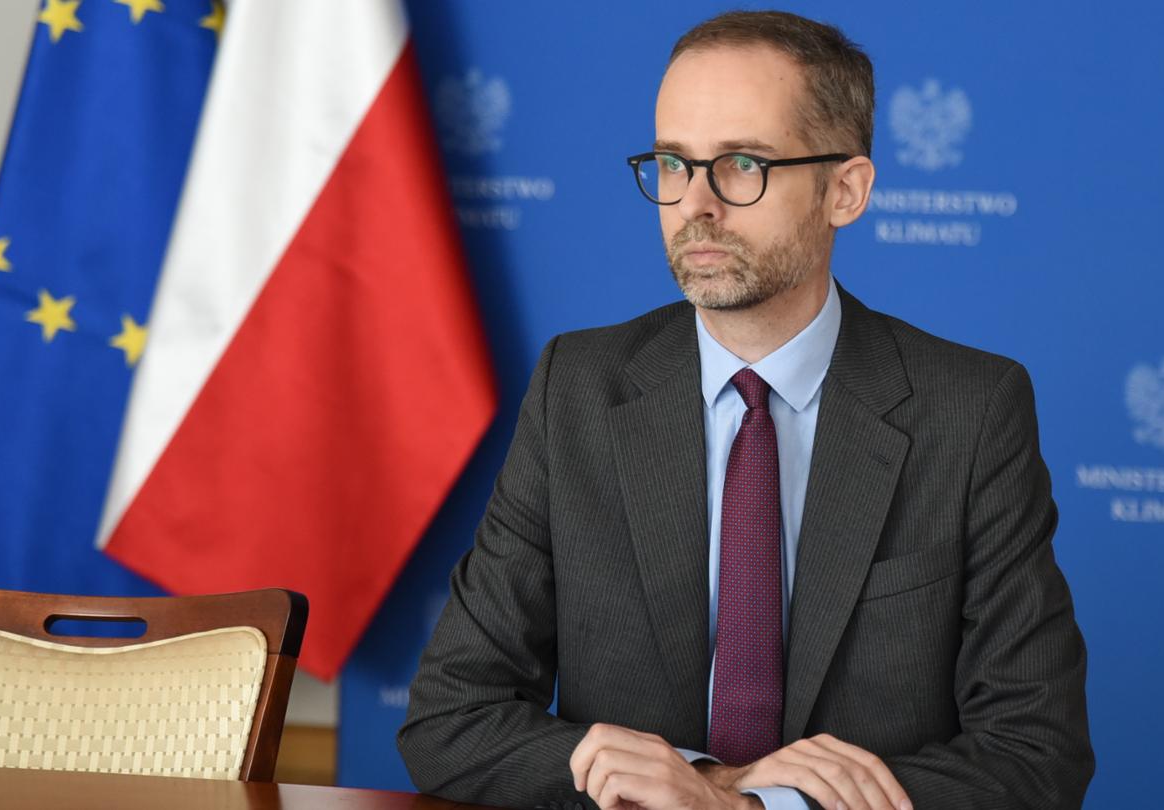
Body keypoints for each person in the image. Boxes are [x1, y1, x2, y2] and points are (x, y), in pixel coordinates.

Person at [398, 11, 1092, 809]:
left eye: (742, 164)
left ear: (845, 191)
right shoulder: (577, 389)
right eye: (673, 163)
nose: (695, 203)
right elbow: (451, 717)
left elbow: (1035, 754)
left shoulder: (970, 411)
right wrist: (700, 783)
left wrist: (762, 807)